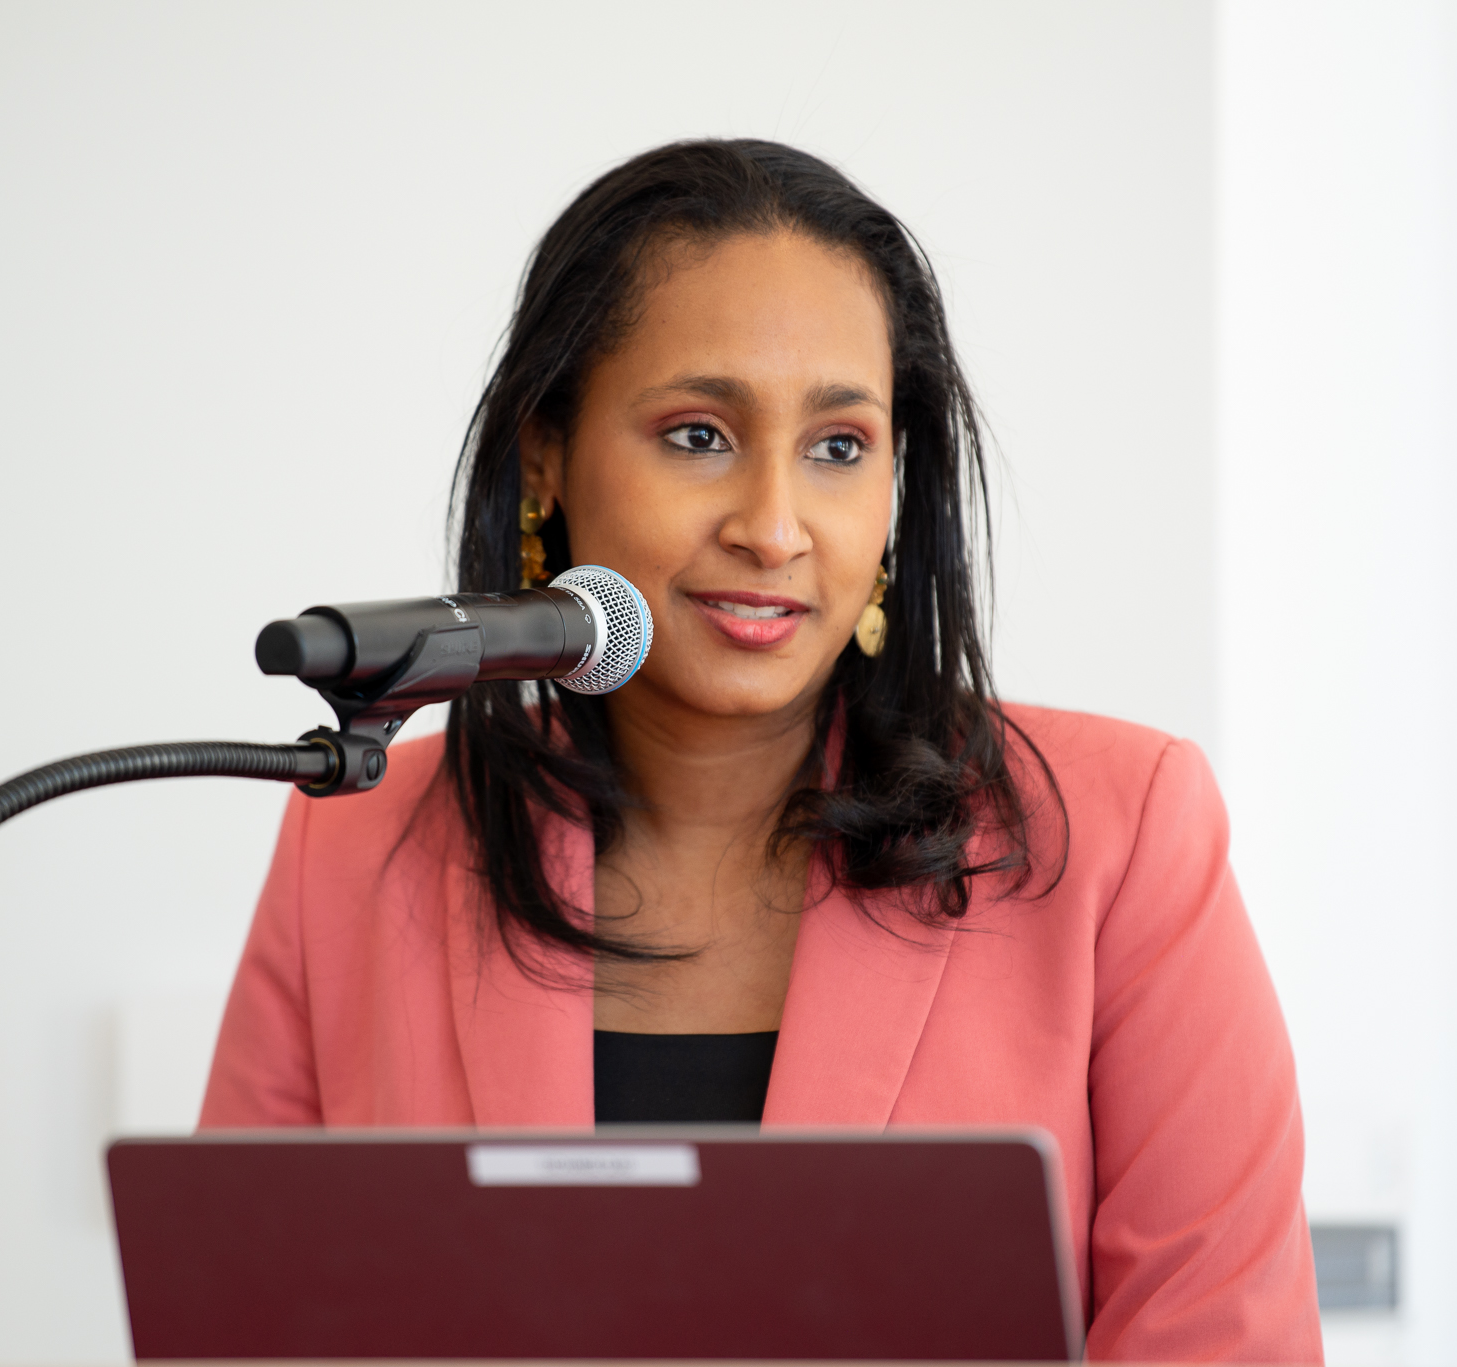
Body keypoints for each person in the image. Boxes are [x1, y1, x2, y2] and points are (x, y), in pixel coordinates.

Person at [201, 138, 1320, 1362]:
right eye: (697, 434)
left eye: (837, 447)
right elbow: (240, 1325)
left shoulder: (1118, 837)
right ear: (546, 453)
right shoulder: (350, 845)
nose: (774, 528)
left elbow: (1223, 1337)